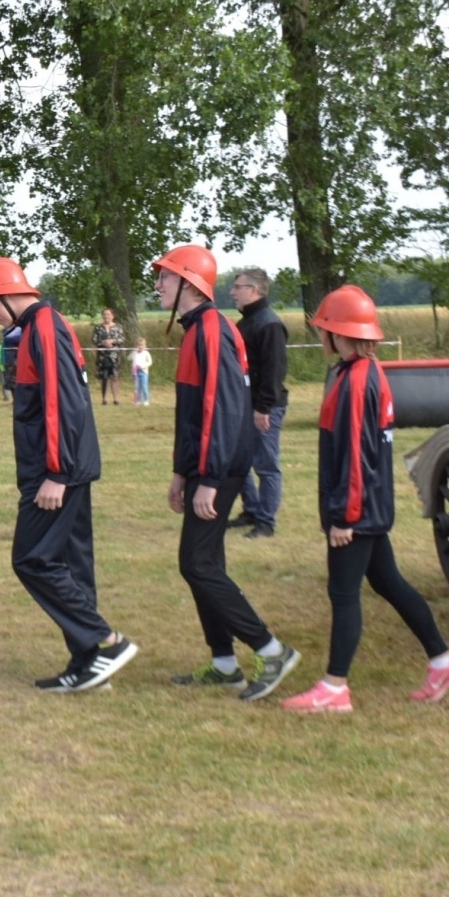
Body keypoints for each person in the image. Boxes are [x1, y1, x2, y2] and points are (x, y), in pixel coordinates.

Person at [280, 287, 449, 714]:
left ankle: (335, 687)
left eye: (324, 328)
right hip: (372, 506)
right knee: (388, 582)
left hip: (357, 511)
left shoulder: (355, 382)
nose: (321, 335)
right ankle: (444, 662)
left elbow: (353, 456)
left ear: (337, 332)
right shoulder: (364, 372)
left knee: (344, 592)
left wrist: (345, 517)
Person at [0, 256, 136, 693]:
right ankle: (90, 664)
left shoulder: (43, 327)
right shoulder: (40, 327)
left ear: (5, 294)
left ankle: (106, 642)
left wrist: (57, 473)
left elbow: (64, 403)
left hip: (59, 470)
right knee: (73, 565)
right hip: (65, 466)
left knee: (32, 559)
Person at [155, 244, 299, 701]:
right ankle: (224, 663)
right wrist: (182, 472)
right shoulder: (200, 329)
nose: (157, 285)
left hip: (222, 467)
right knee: (206, 563)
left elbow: (222, 408)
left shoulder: (212, 331)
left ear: (190, 285)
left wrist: (211, 478)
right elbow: (192, 413)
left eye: (165, 278)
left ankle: (271, 650)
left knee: (196, 563)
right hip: (207, 465)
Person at [232, 268, 289, 539]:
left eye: (238, 287)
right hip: (245, 405)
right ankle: (251, 510)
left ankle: (266, 522)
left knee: (266, 465)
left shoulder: (269, 324)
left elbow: (274, 372)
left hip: (265, 407)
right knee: (239, 461)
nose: (232, 292)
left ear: (254, 290)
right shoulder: (247, 322)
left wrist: (263, 408)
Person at [93, 309, 126, 405]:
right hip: (102, 356)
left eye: (108, 314)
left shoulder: (118, 327)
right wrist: (103, 342)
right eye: (104, 314)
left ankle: (116, 399)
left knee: (115, 377)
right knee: (104, 377)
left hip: (114, 356)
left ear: (112, 316)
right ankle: (104, 399)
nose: (106, 316)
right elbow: (94, 339)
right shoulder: (98, 327)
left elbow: (122, 338)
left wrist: (112, 341)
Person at [130, 337, 153, 406]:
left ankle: (146, 400)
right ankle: (138, 400)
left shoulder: (146, 353)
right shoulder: (135, 353)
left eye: (142, 345)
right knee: (137, 387)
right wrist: (133, 372)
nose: (140, 347)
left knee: (144, 386)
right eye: (138, 345)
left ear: (145, 346)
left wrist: (143, 366)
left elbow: (150, 362)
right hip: (136, 372)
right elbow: (132, 361)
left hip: (144, 372)